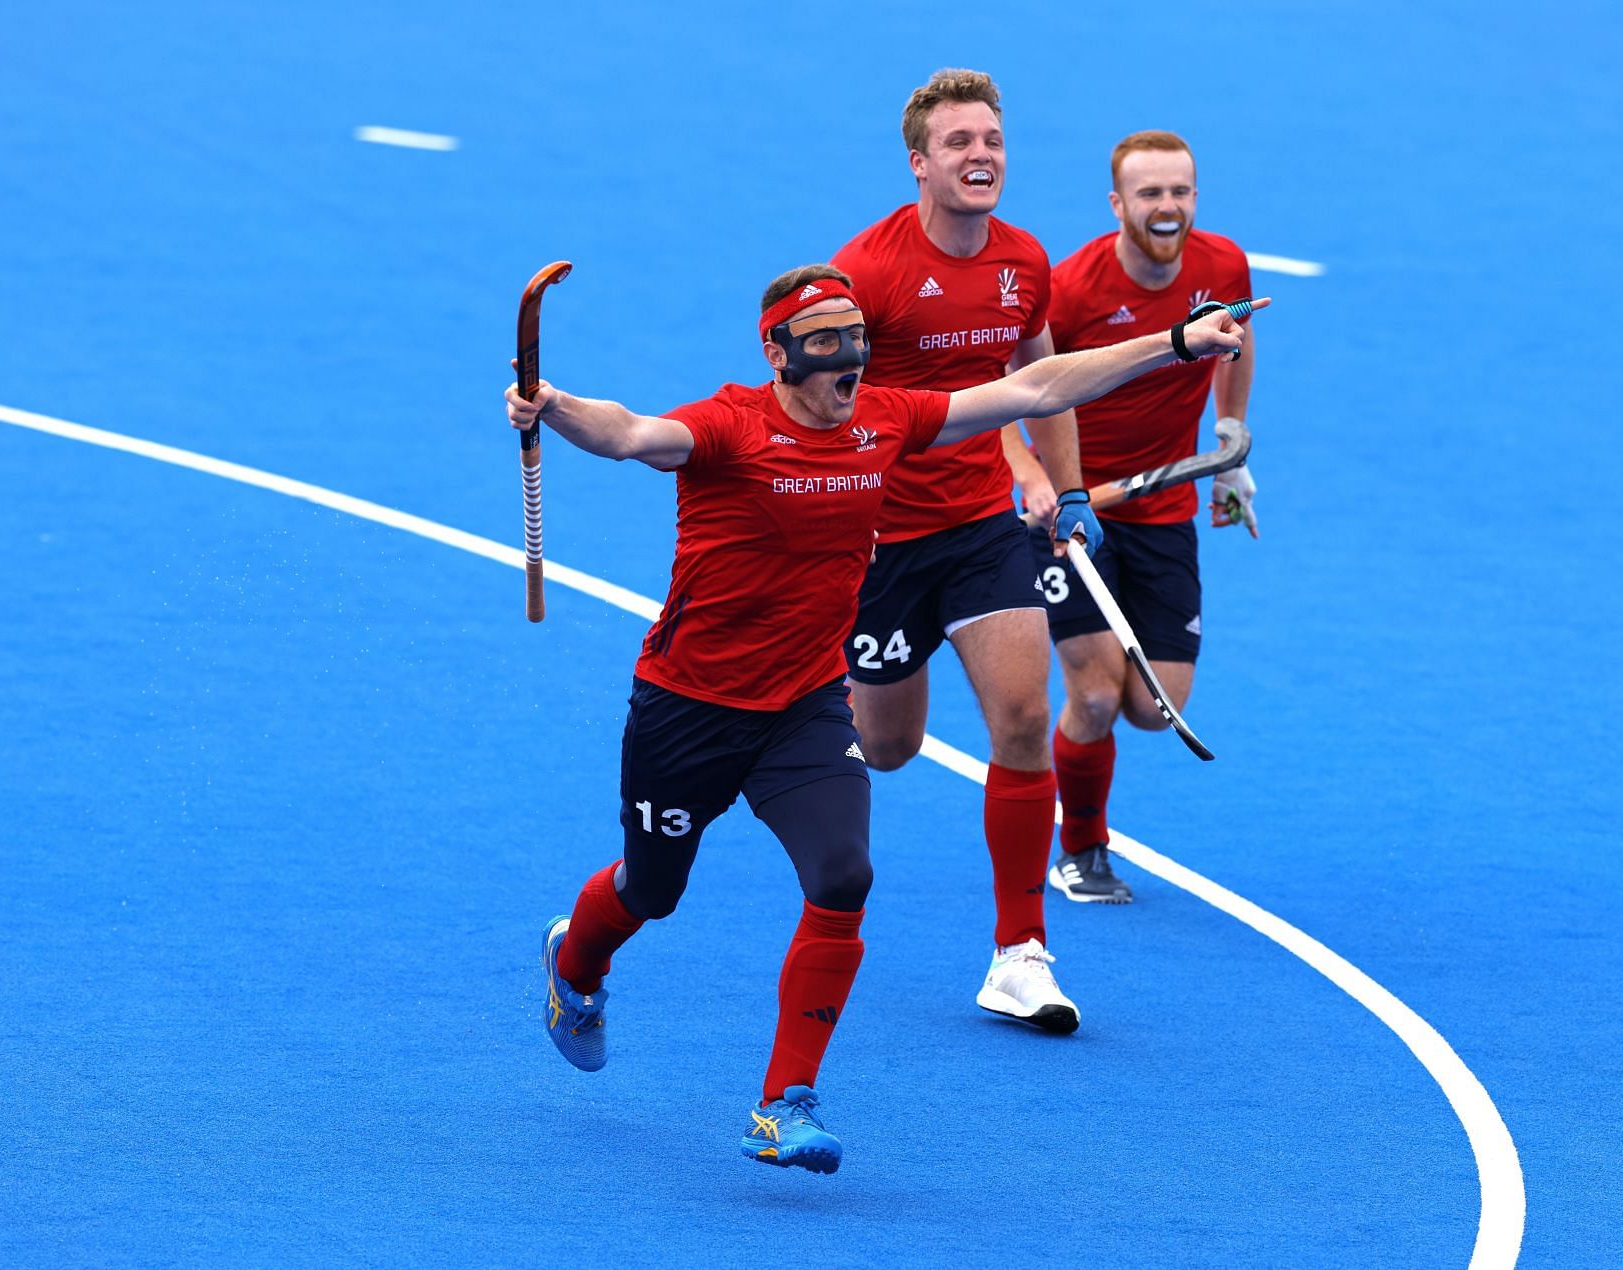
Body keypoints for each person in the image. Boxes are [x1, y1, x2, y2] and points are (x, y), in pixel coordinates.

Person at [506, 264, 1253, 1173]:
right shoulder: (729, 427)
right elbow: (631, 434)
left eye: (854, 337)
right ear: (777, 352)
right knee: (651, 891)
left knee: (844, 873)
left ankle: (784, 1103)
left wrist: (1174, 344)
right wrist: (557, 405)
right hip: (689, 708)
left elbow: (1035, 385)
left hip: (804, 707)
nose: (848, 357)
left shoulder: (886, 420)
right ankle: (575, 966)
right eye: (824, 340)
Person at [832, 69, 1099, 1032]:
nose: (980, 154)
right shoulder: (865, 276)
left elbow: (1044, 379)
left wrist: (1060, 487)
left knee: (1025, 717)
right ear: (920, 164)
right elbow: (822, 408)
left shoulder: (1026, 263)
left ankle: (1019, 953)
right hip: (881, 542)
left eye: (991, 138)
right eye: (959, 142)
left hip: (984, 529)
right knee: (891, 748)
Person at [1017, 130, 1259, 904]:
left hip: (1162, 510)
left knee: (1155, 711)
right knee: (1093, 696)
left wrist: (1230, 440)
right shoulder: (1072, 289)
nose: (1167, 207)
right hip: (1076, 509)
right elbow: (1011, 394)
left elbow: (1236, 336)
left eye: (1179, 192)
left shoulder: (1223, 266)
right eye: (1150, 194)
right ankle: (1081, 848)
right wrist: (1037, 477)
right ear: (1117, 204)